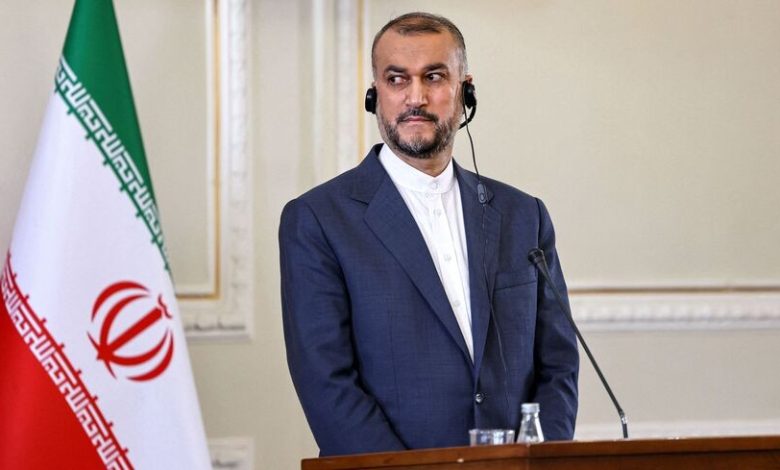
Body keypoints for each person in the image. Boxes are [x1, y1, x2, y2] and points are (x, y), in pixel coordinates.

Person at [279, 12, 578, 456]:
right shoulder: (317, 220)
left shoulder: (524, 216)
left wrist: (539, 461)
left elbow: (558, 365)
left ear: (465, 91)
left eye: (434, 77)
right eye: (397, 80)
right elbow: (327, 383)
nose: (415, 97)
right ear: (375, 94)